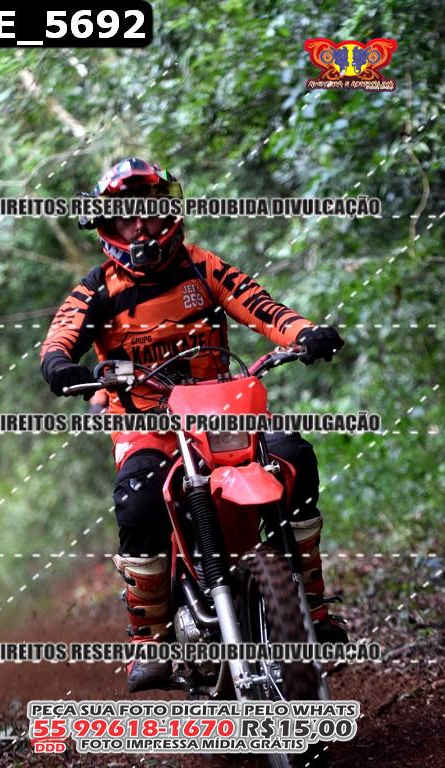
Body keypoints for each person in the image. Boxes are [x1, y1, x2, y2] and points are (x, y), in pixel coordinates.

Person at [41, 157, 347, 692]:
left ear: (169, 211)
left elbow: (262, 307)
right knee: (138, 498)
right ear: (109, 226)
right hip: (146, 424)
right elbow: (58, 341)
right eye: (127, 216)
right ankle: (150, 637)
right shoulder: (96, 290)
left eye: (150, 210)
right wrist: (63, 368)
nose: (141, 226)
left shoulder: (202, 266)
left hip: (222, 413)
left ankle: (312, 609)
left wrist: (304, 333)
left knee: (293, 455)